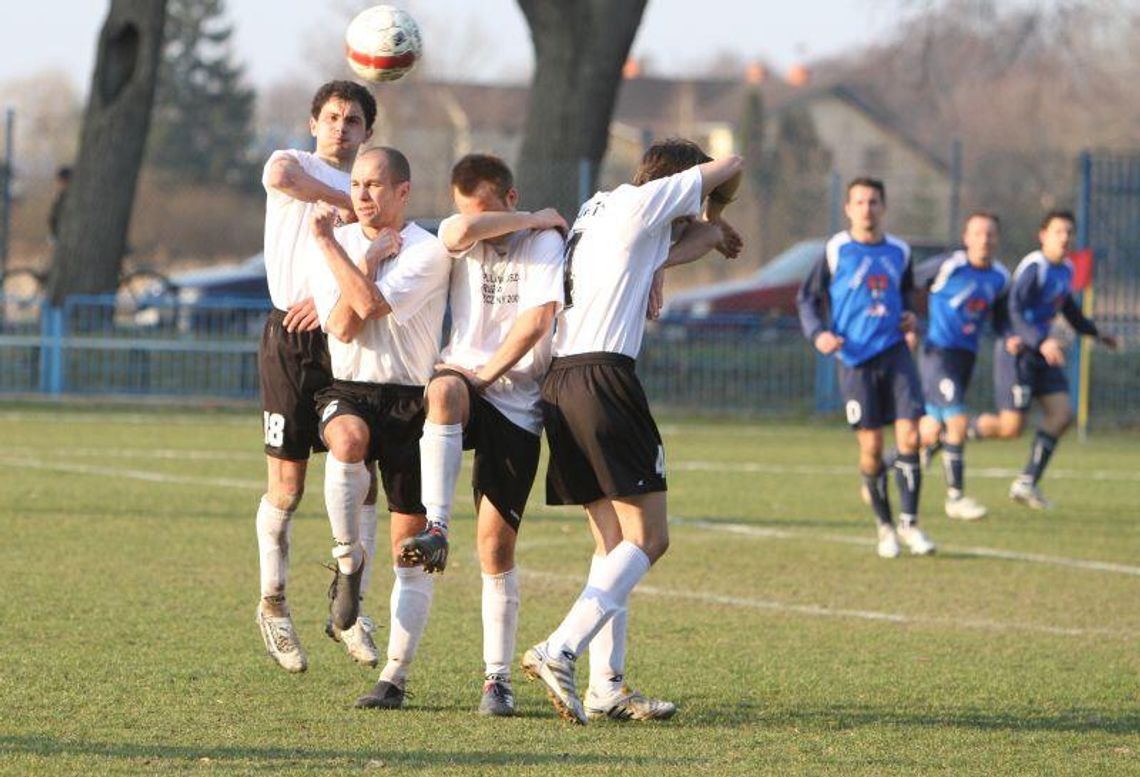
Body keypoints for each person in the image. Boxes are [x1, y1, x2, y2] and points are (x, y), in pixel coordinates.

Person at [521, 138, 744, 725]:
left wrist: (711, 233)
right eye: (690, 197)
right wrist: (714, 202)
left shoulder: (603, 208)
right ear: (675, 185)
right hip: (605, 380)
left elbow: (671, 248)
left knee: (612, 545)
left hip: (562, 381)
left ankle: (606, 688)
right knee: (649, 538)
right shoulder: (644, 203)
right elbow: (735, 165)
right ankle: (558, 649)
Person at [389, 153, 567, 716]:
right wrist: (530, 217)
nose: (480, 224)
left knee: (496, 547)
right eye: (471, 212)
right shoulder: (492, 228)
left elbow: (537, 321)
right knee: (441, 392)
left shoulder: (544, 245)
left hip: (515, 402)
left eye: (492, 211)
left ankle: (497, 680)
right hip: (462, 379)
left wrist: (488, 377)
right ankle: (438, 526)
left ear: (508, 199)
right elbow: (460, 229)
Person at [307, 147, 451, 711]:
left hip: (410, 402)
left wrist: (360, 273)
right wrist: (345, 253)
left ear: (402, 192)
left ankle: (394, 675)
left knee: (408, 550)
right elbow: (341, 327)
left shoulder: (427, 250)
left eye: (374, 185)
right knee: (345, 440)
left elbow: (369, 307)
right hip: (350, 389)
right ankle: (347, 561)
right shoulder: (337, 244)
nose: (363, 196)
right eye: (357, 185)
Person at [254, 80, 377, 673]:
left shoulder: (373, 187)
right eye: (332, 117)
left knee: (362, 473)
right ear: (313, 123)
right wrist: (351, 203)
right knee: (289, 487)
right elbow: (282, 181)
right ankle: (273, 605)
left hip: (345, 338)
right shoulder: (292, 162)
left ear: (367, 134)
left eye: (353, 121)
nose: (341, 127)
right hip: (288, 340)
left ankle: (350, 607)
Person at [797, 177, 936, 559]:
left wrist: (911, 319)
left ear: (884, 206)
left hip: (895, 353)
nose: (866, 208)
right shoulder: (836, 250)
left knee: (910, 438)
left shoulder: (900, 252)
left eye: (873, 201)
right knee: (872, 447)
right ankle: (885, 527)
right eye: (859, 202)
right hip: (855, 360)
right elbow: (807, 298)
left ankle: (911, 524)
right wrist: (818, 334)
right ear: (848, 208)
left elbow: (906, 296)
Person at [969, 210, 1117, 509]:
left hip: (1042, 353)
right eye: (1058, 232)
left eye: (1069, 233)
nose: (1065, 238)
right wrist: (1041, 341)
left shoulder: (1065, 270)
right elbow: (1013, 311)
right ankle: (954, 431)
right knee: (1010, 428)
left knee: (1062, 414)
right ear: (1043, 236)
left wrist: (1096, 332)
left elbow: (1069, 310)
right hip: (1018, 355)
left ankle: (1027, 482)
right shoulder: (1033, 267)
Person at [910, 212, 1011, 521]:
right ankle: (955, 499)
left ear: (997, 239)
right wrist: (909, 321)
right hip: (938, 354)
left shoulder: (1001, 277)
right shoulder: (949, 265)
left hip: (965, 358)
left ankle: (879, 468)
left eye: (990, 234)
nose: (984, 239)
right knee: (957, 422)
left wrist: (1011, 337)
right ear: (966, 238)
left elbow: (1002, 319)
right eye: (978, 233)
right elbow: (908, 283)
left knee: (931, 432)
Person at [48, 166, 72, 244]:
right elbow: (53, 216)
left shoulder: (67, 196)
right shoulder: (62, 195)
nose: (60, 183)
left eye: (62, 180)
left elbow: (55, 215)